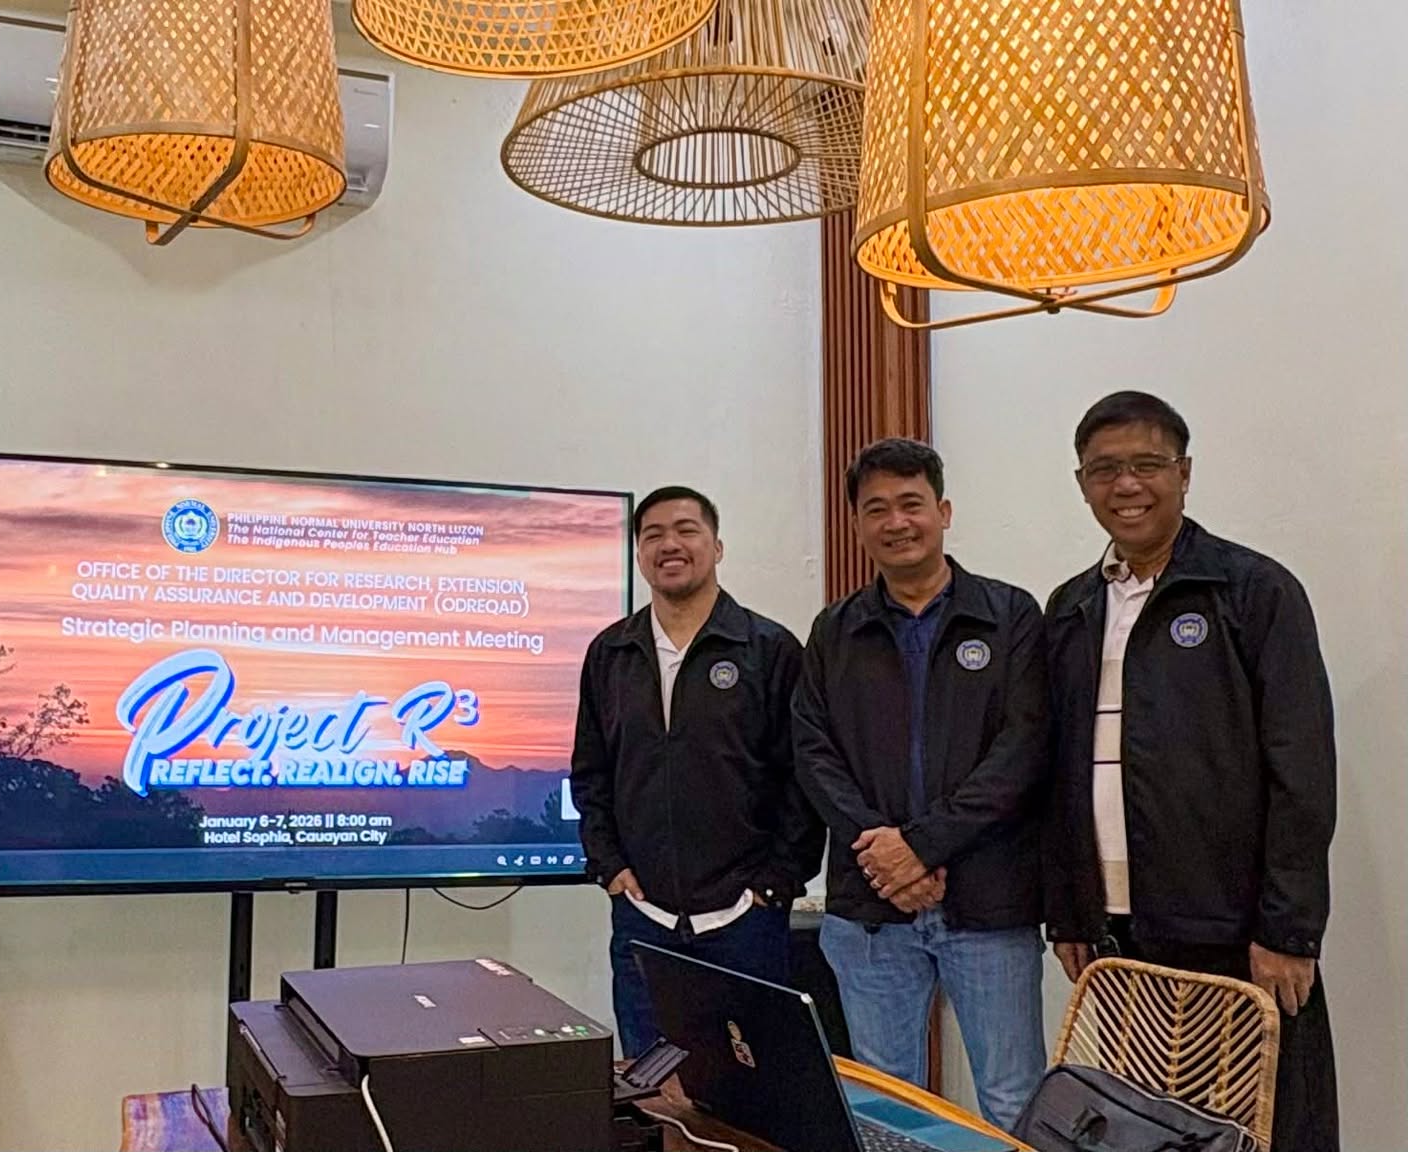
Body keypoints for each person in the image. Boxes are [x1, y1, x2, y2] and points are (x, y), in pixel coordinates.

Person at [1043, 392, 1338, 1151]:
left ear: (1185, 472)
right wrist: (1070, 911)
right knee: (1141, 1128)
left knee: (1264, 1128)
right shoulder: (1072, 607)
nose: (1126, 485)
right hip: (1116, 933)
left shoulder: (1253, 591)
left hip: (1238, 933)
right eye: (1105, 469)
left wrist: (1288, 928)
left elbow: (1302, 770)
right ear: (1082, 484)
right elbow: (1058, 771)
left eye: (1147, 464)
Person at [791, 439, 1049, 1129]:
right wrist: (885, 855)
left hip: (989, 903)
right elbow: (813, 753)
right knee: (886, 1109)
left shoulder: (1010, 615)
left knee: (1013, 1101)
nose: (896, 522)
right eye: (877, 509)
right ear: (857, 523)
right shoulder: (834, 631)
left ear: (944, 511)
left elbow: (1022, 751)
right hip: (871, 910)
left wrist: (921, 847)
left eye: (912, 504)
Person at [570, 485, 823, 1058]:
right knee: (651, 1085)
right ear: (639, 554)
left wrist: (776, 883)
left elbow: (802, 779)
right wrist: (609, 867)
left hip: (747, 920)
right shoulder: (610, 653)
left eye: (687, 530)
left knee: (756, 1085)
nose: (670, 545)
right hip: (643, 918)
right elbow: (591, 774)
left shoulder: (769, 649)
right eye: (654, 535)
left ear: (717, 546)